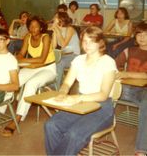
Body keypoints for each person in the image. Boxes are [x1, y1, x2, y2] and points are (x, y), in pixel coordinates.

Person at [44, 26, 117, 155]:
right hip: (80, 105)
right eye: (84, 41)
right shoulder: (78, 60)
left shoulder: (108, 62)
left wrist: (77, 98)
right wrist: (62, 93)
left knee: (74, 134)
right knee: (51, 125)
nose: (86, 45)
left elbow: (103, 95)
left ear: (100, 42)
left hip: (102, 108)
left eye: (91, 41)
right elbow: (67, 82)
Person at [2, 16, 56, 137]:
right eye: (30, 26)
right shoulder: (27, 37)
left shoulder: (45, 37)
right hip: (33, 66)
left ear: (41, 27)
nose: (33, 28)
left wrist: (24, 62)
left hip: (48, 68)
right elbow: (21, 53)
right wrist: (15, 60)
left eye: (36, 26)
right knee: (15, 79)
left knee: (31, 84)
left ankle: (18, 118)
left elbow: (42, 59)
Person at [115, 22, 147, 156]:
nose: (142, 37)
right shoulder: (129, 50)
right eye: (139, 34)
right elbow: (114, 65)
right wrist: (119, 71)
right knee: (103, 95)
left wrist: (127, 74)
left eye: (145, 34)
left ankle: (141, 149)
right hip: (125, 88)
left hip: (143, 91)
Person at [51, 12, 80, 87]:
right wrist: (55, 32)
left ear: (61, 19)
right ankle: (53, 82)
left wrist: (57, 30)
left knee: (59, 62)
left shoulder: (70, 29)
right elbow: (53, 47)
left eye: (56, 17)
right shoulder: (57, 30)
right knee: (51, 61)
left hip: (74, 55)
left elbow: (63, 45)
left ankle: (56, 87)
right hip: (64, 55)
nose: (54, 19)